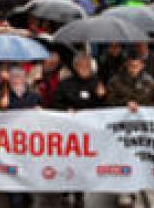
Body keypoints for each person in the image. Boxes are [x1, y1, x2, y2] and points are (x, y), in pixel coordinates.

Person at [52, 53, 106, 208]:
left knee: (82, 163)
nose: (85, 69)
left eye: (88, 66)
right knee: (66, 162)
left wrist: (102, 96)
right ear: (76, 67)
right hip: (68, 132)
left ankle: (79, 193)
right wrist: (67, 109)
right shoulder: (65, 83)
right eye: (82, 66)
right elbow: (55, 104)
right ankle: (64, 190)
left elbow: (104, 109)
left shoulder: (97, 83)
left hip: (87, 133)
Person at [106, 50, 154, 208]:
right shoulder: (115, 81)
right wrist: (125, 105)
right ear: (127, 65)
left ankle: (146, 190)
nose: (134, 68)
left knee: (143, 158)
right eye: (131, 65)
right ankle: (125, 190)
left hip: (142, 127)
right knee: (123, 157)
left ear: (142, 65)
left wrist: (140, 106)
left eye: (137, 65)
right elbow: (109, 100)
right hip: (122, 127)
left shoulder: (149, 81)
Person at [0, 67, 40, 208]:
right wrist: (1, 107)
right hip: (11, 143)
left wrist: (40, 110)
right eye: (13, 77)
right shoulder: (4, 96)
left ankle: (26, 196)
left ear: (24, 79)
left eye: (19, 77)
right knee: (13, 174)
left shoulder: (34, 96)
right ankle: (15, 198)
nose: (16, 80)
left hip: (29, 142)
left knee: (27, 172)